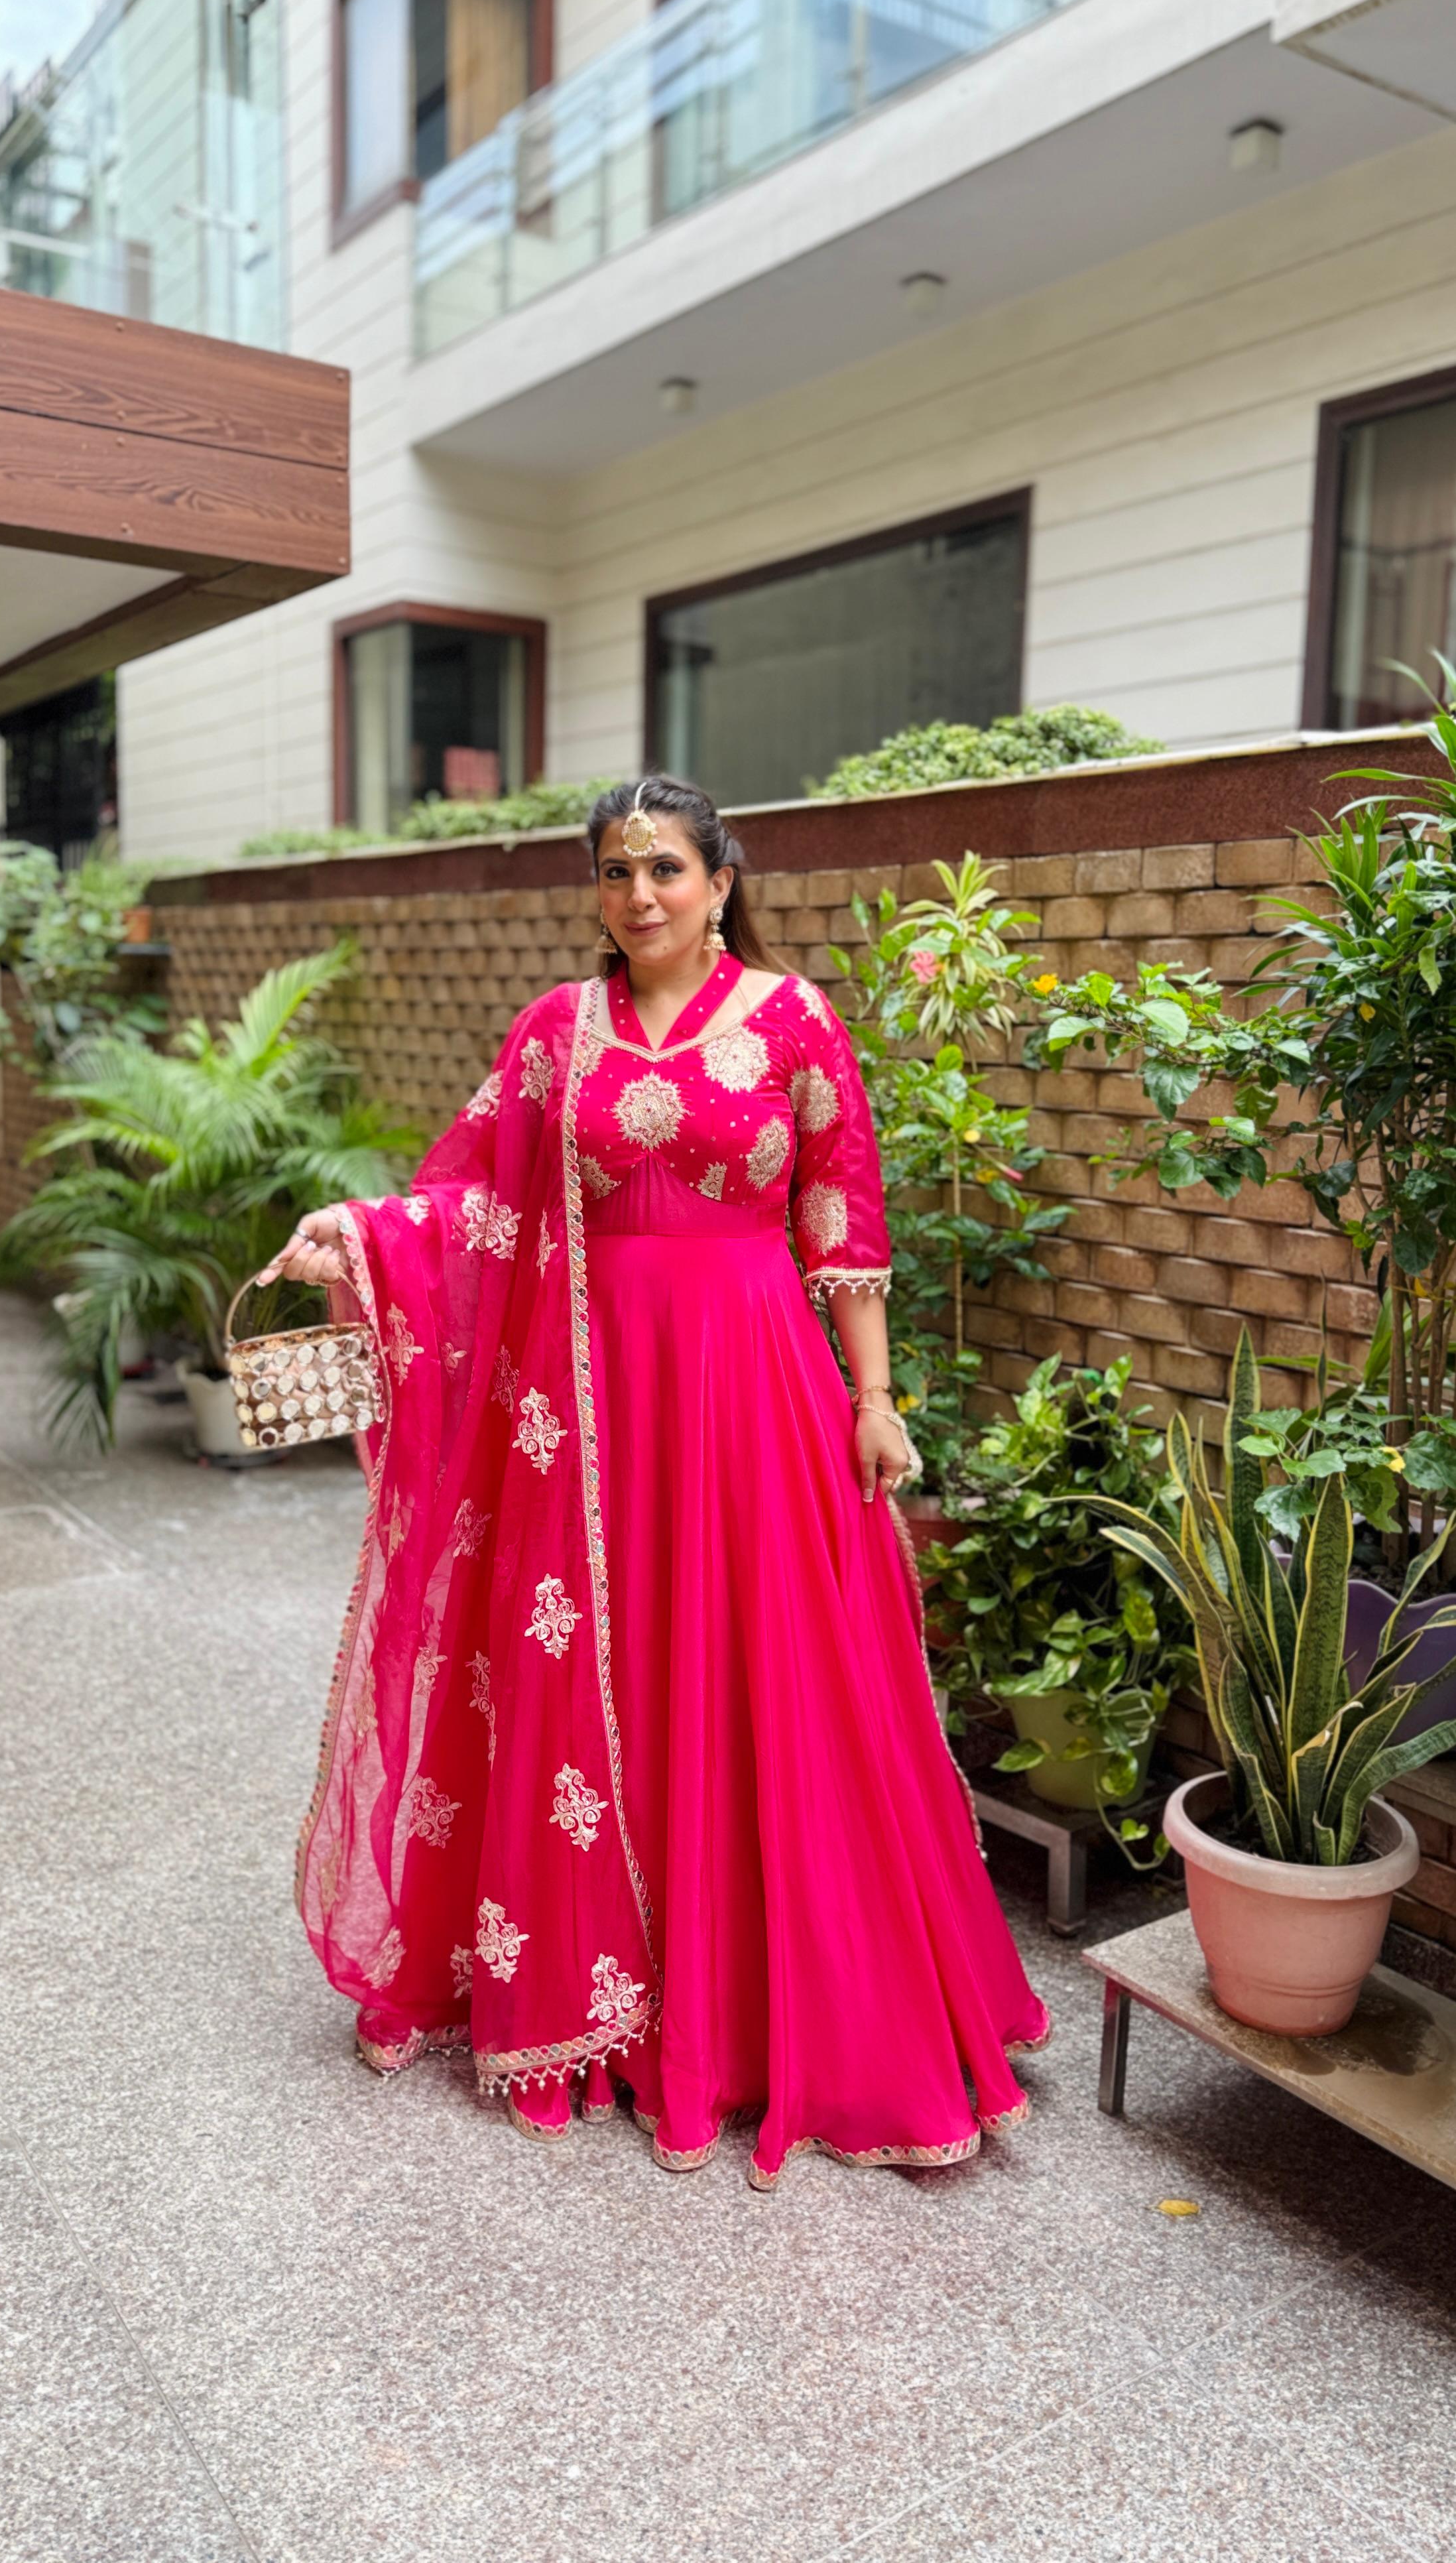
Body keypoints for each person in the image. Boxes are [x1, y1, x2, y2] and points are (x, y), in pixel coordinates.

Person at [262, 777, 1047, 2188]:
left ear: (723, 879)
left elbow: (841, 1221)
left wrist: (873, 1403)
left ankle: (759, 2027)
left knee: (767, 1677)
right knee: (599, 1675)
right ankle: (602, 1997)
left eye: (667, 870)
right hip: (587, 1397)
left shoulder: (796, 1023)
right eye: (618, 873)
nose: (640, 897)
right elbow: (476, 1193)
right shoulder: (557, 1034)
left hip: (753, 1385)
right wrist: (365, 1235)